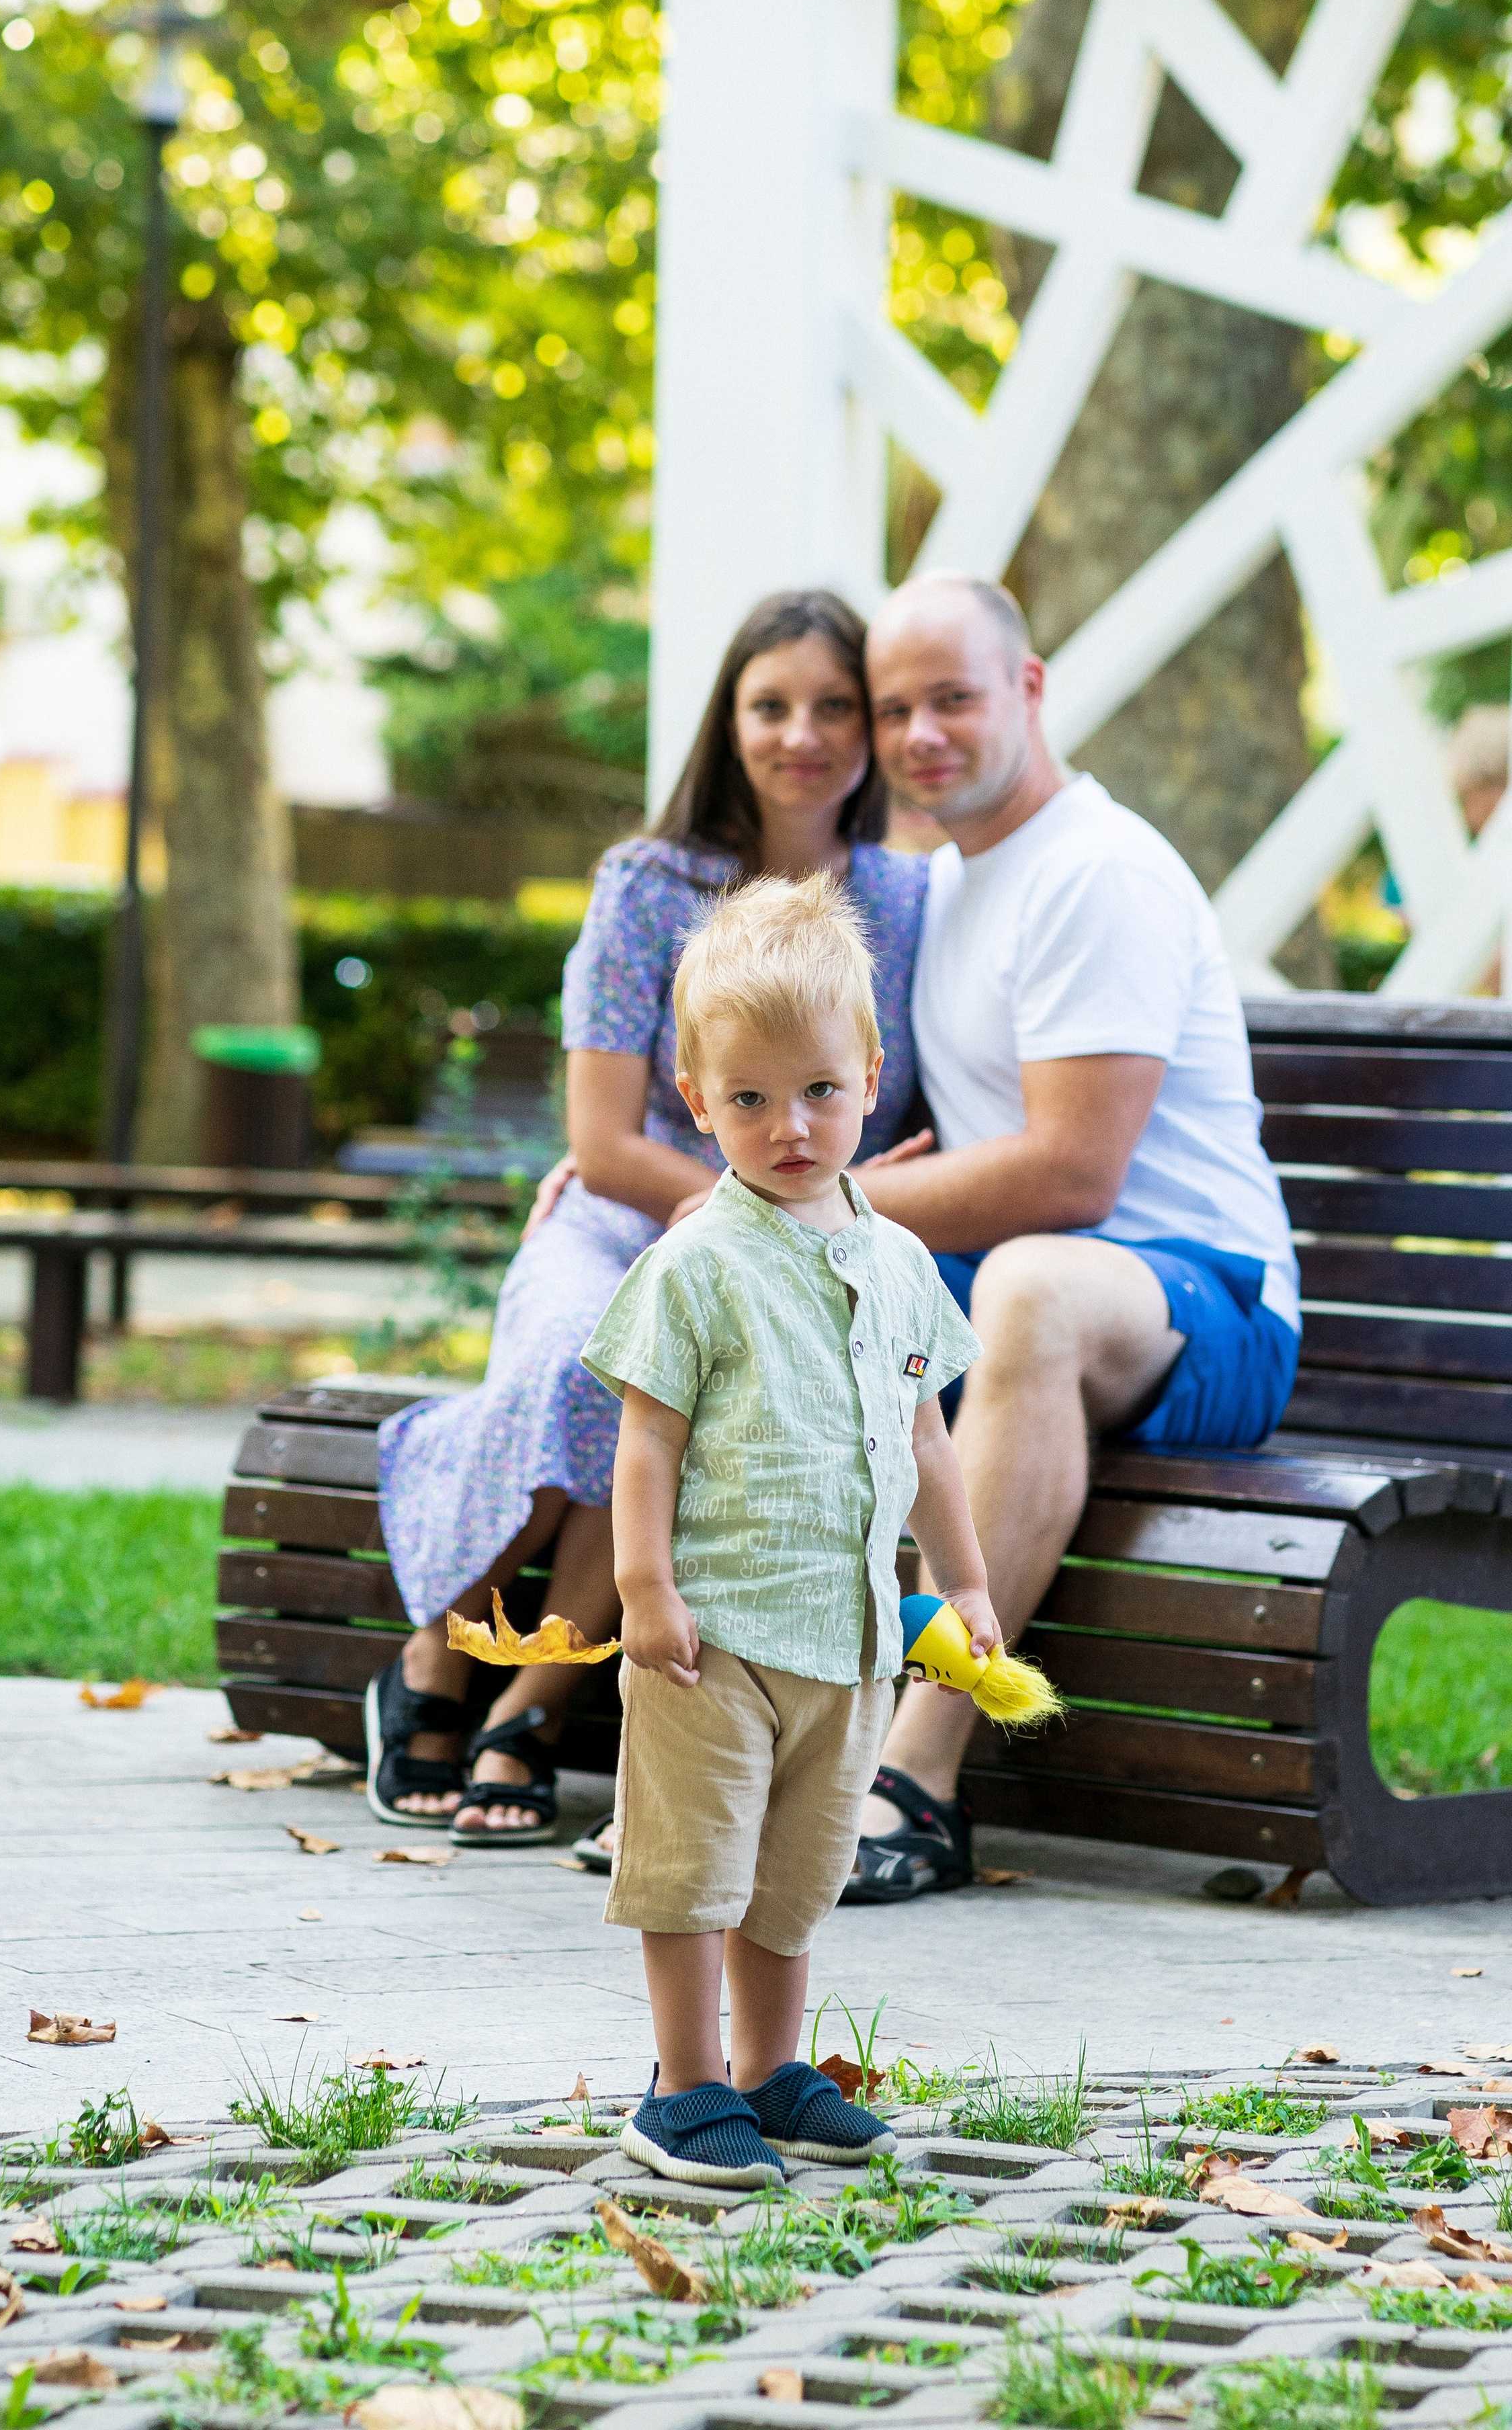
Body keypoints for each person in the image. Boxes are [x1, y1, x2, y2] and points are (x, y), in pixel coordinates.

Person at [366, 591, 930, 1847]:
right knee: (588, 1361)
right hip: (628, 1214)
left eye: (835, 707)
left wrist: (823, 1213)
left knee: (687, 1391)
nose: (803, 735)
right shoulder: (646, 882)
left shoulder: (904, 896)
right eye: (771, 706)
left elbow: (893, 1096)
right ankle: (433, 1655)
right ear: (729, 721)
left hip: (796, 1236)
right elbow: (604, 1136)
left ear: (871, 726)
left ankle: (530, 1705)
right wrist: (732, 1216)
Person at [840, 573, 1302, 1903]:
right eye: (894, 711)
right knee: (773, 1295)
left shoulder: (1096, 871)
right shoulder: (943, 887)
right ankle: (745, 1749)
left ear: (1028, 688)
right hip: (1020, 1292)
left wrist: (833, 1202)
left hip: (1209, 1308)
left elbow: (1071, 1173)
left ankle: (917, 1781)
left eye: (952, 698)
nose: (921, 734)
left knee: (1029, 1290)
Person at [581, 874, 990, 2183]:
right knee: (694, 1867)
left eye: (818, 1090)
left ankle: (767, 2070)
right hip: (715, 1638)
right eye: (749, 1098)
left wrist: (964, 1586)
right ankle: (683, 2086)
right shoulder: (696, 1264)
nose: (790, 1126)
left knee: (796, 1876)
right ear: (697, 1102)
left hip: (847, 1640)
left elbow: (927, 1439)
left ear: (870, 1079)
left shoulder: (900, 1262)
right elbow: (647, 1440)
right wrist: (645, 1587)